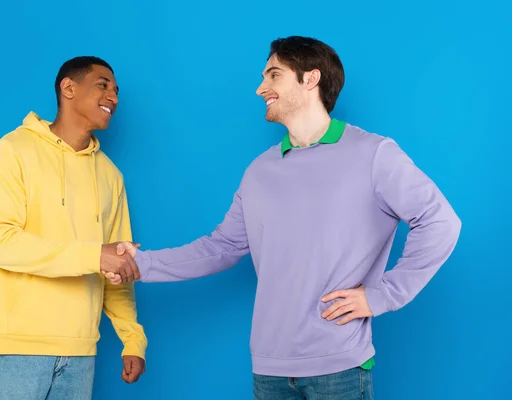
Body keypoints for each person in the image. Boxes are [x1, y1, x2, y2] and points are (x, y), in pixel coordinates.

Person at [109, 36, 462, 399]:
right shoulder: (259, 170)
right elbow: (222, 247)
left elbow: (440, 222)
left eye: (273, 75)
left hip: (338, 367)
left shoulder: (374, 154)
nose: (261, 87)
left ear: (310, 79)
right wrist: (141, 263)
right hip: (269, 368)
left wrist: (384, 295)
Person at [0, 56, 146, 400]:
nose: (113, 96)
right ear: (68, 88)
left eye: (116, 90)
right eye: (103, 85)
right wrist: (95, 255)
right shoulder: (12, 150)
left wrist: (132, 339)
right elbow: (3, 244)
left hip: (81, 352)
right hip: (16, 346)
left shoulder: (111, 176)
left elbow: (118, 264)